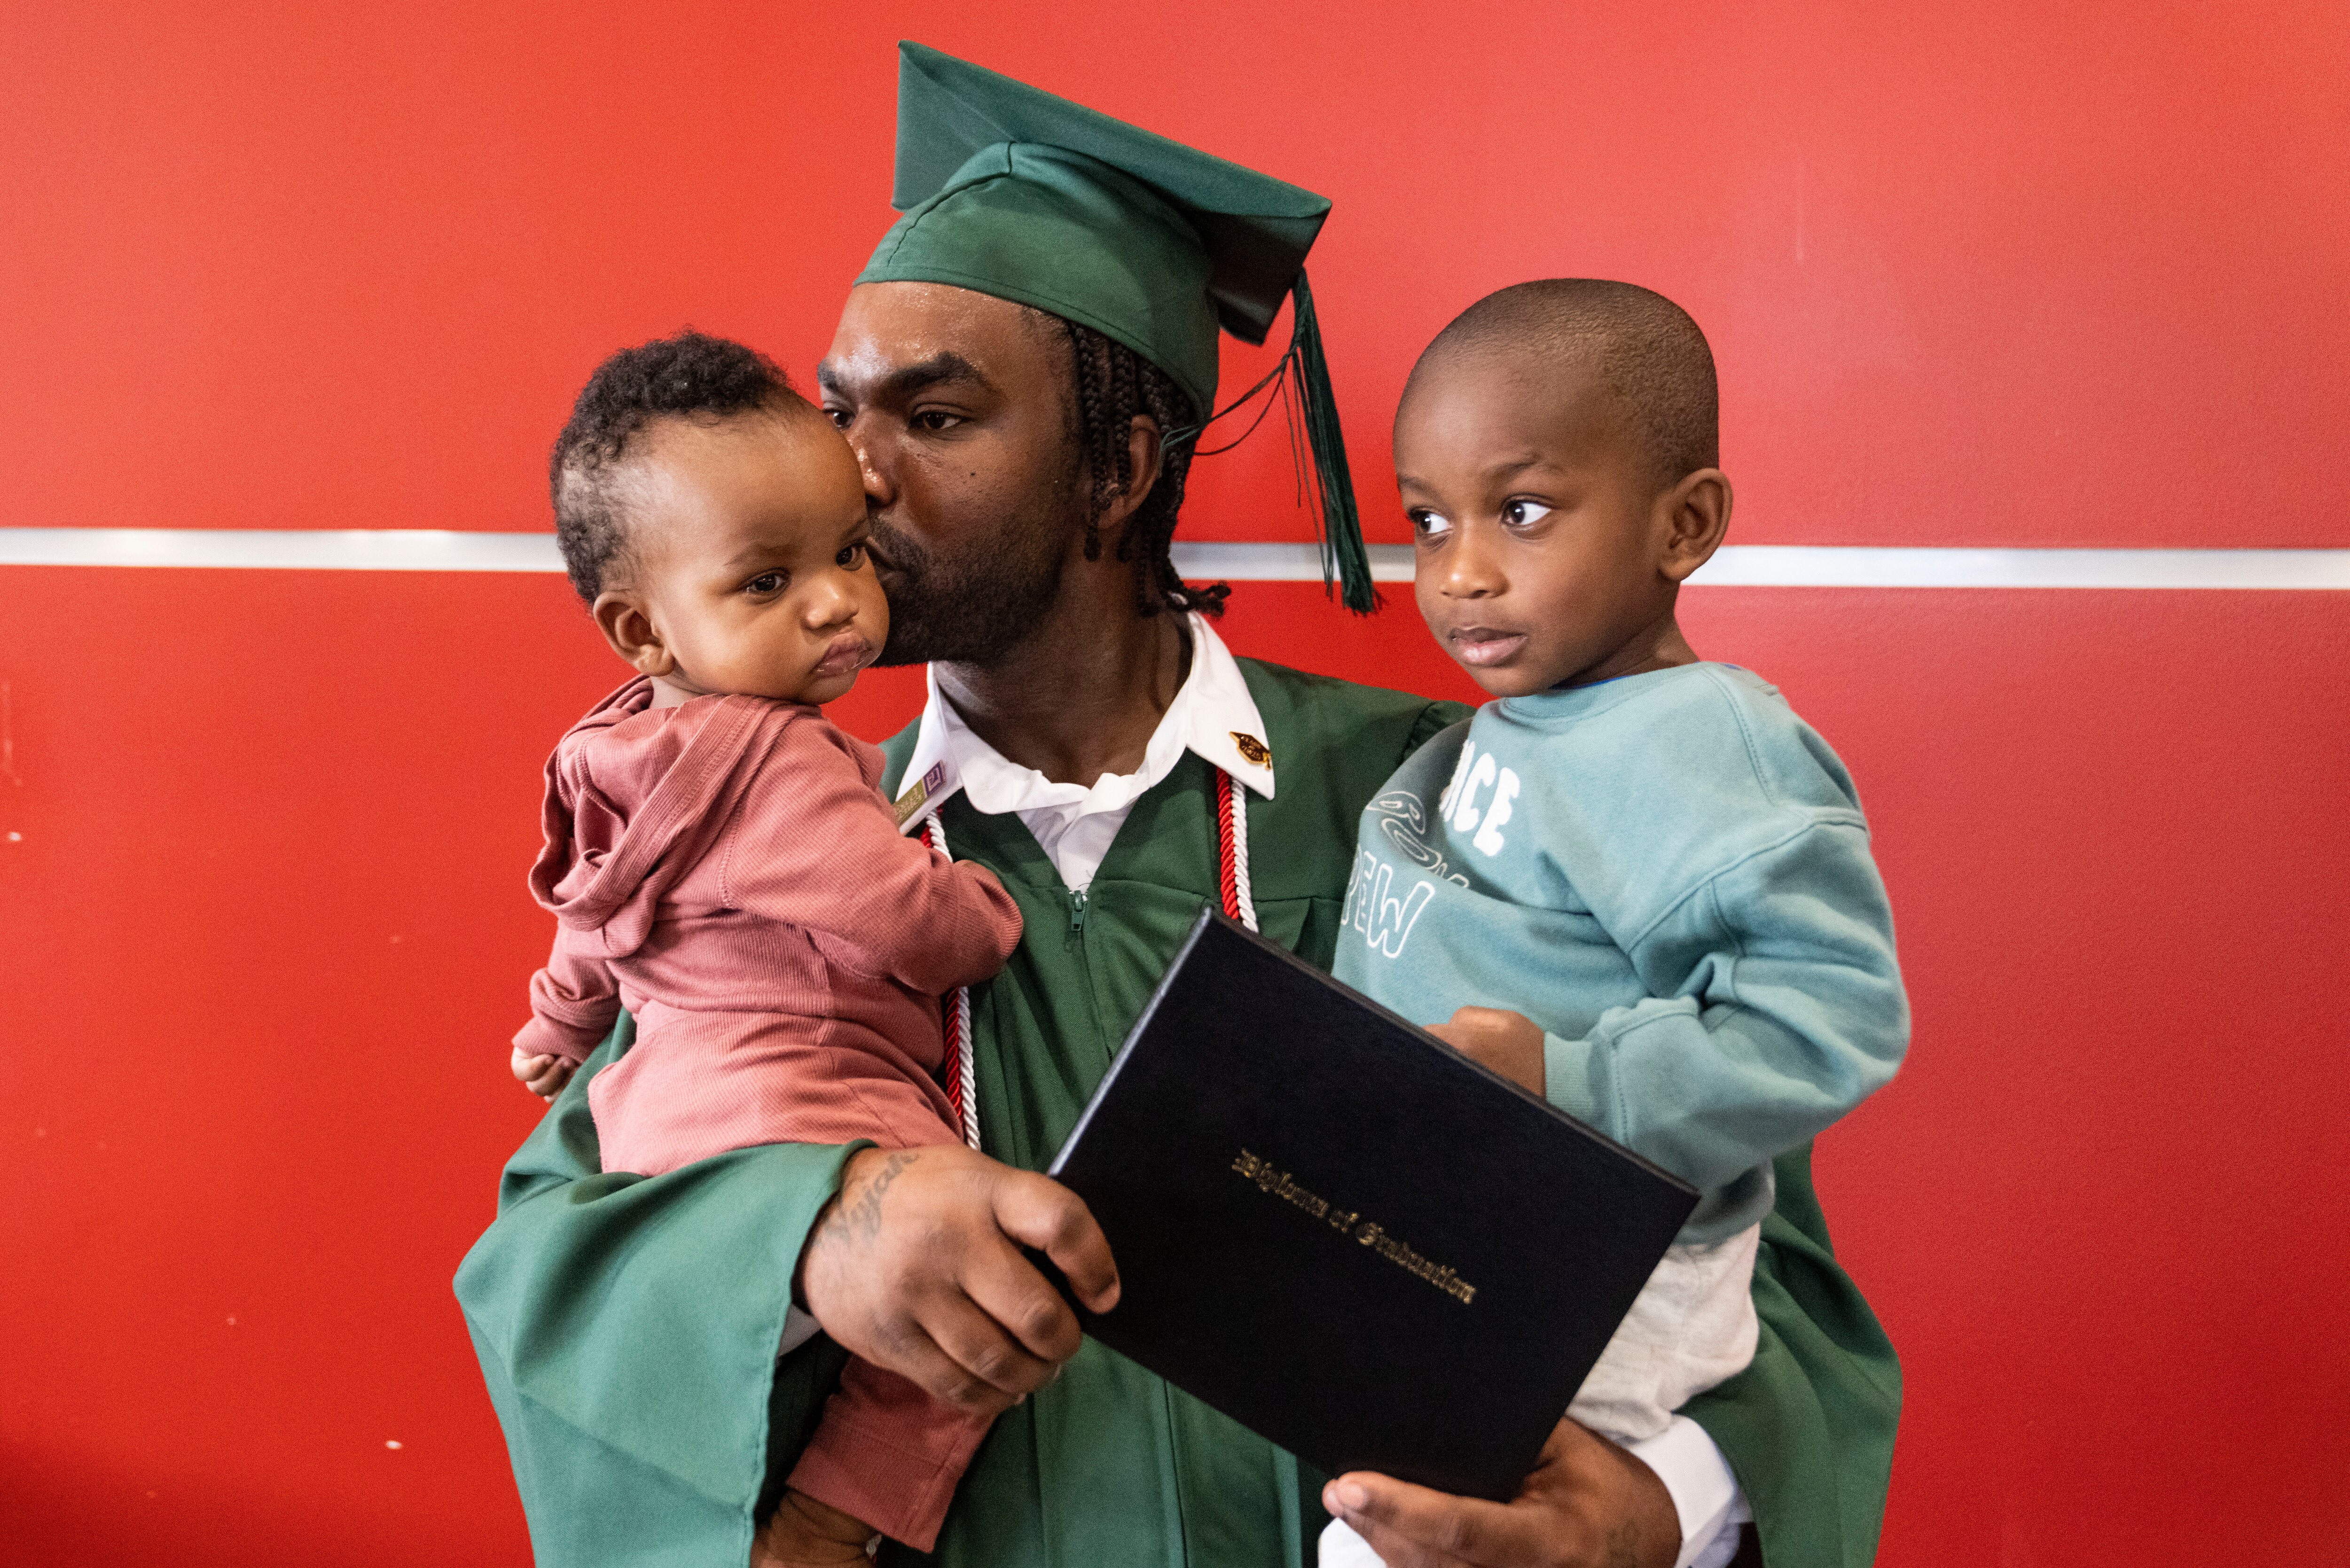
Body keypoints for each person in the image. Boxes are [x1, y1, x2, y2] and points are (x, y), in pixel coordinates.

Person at [455, 44, 1901, 1568]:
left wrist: (1658, 1506)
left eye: (934, 418)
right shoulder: (765, 846)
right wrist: (817, 1226)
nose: (854, 473)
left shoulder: (1461, 800)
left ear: (1122, 466)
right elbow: (556, 1247)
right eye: (841, 413)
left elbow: (1760, 1257)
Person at [1316, 281, 1909, 1568]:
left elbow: (1836, 1014)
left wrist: (1568, 1081)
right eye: (1427, 521)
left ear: (1683, 524)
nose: (1461, 570)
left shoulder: (1708, 745)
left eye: (1521, 511)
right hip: (1478, 1239)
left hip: (1604, 1267)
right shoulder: (1520, 724)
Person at [505, 330, 1027, 1555]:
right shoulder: (779, 758)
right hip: (808, 1093)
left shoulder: (611, 752)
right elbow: (897, 914)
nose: (839, 598)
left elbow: (592, 928)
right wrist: (981, 913)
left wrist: (557, 1025)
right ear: (643, 628)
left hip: (659, 1137)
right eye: (765, 582)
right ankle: (838, 1514)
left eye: (848, 550)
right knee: (981, 1309)